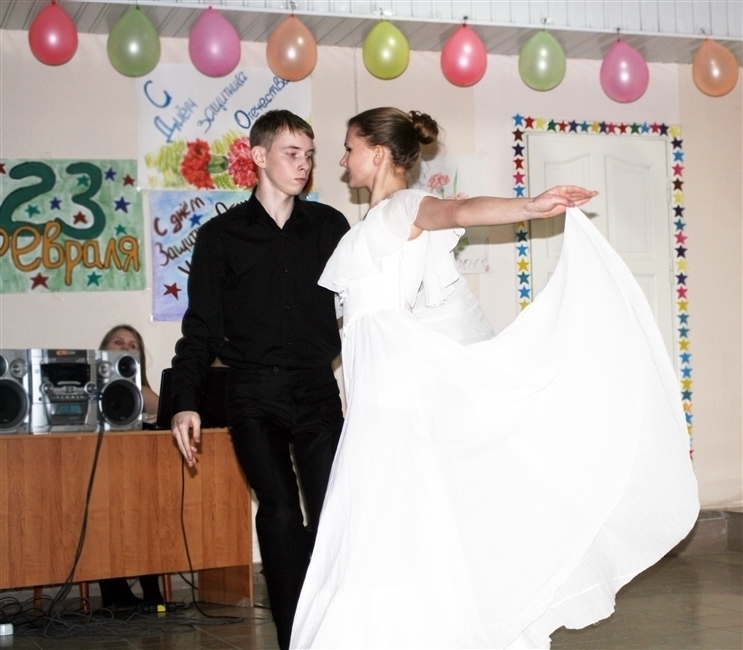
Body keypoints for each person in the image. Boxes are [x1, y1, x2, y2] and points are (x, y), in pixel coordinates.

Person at [289, 108, 700, 648]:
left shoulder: (403, 207)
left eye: (350, 148)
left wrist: (529, 206)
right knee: (386, 524)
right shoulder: (372, 224)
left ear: (379, 152)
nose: (343, 160)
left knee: (379, 522)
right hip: (376, 392)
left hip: (391, 393)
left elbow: (458, 209)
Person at [170, 110, 350, 650]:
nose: (304, 164)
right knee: (279, 510)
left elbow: (365, 303)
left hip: (317, 389)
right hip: (252, 393)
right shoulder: (220, 237)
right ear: (259, 156)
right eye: (292, 154)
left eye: (309, 155)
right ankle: (294, 637)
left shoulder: (330, 228)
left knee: (332, 514)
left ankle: (333, 629)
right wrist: (184, 400)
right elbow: (200, 328)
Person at [97, 324, 164, 608]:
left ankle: (152, 592)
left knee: (147, 512)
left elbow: (164, 413)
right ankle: (115, 592)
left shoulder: (140, 390)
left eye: (132, 345)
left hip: (136, 478)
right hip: (99, 481)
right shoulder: (90, 387)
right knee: (104, 513)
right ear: (103, 349)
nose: (125, 348)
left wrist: (137, 387)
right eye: (118, 342)